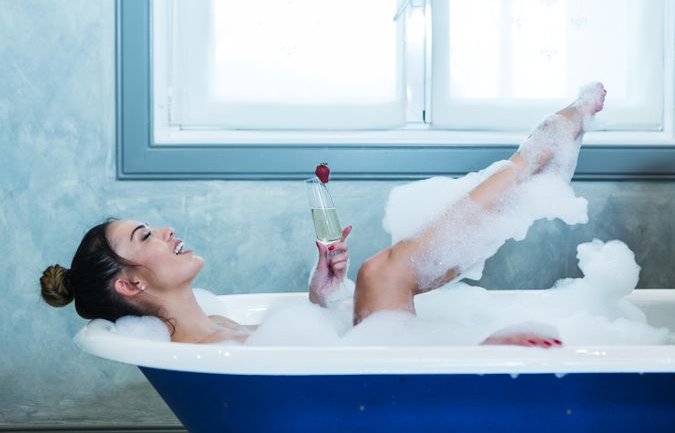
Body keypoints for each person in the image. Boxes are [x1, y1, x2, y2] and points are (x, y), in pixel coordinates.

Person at [40, 83, 606, 346]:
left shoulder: (216, 327)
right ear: (132, 282)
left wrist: (320, 296)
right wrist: (468, 357)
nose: (165, 230)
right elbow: (318, 371)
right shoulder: (201, 346)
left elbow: (312, 348)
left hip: (376, 375)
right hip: (381, 392)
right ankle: (533, 156)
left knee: (379, 274)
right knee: (382, 274)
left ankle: (533, 159)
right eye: (146, 236)